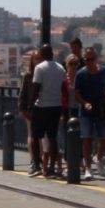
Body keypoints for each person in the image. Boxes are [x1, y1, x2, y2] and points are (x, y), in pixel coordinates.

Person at [73, 47, 105, 180]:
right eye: (87, 60)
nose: (89, 62)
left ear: (97, 58)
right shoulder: (80, 74)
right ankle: (88, 168)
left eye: (92, 59)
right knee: (87, 138)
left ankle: (99, 158)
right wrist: (84, 103)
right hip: (86, 111)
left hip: (101, 109)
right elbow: (76, 92)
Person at [29, 44, 66, 178]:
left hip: (42, 106)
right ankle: (51, 168)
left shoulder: (40, 68)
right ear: (52, 54)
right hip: (56, 105)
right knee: (52, 137)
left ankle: (37, 165)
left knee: (35, 136)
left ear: (42, 54)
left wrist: (30, 106)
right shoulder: (61, 68)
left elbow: (36, 88)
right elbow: (63, 87)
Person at [17, 50, 42, 175]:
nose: (37, 60)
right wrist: (22, 109)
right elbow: (23, 92)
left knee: (42, 136)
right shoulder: (28, 75)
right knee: (32, 134)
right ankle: (34, 159)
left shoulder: (43, 73)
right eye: (35, 58)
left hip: (43, 107)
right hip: (30, 109)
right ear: (32, 60)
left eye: (39, 58)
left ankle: (41, 159)